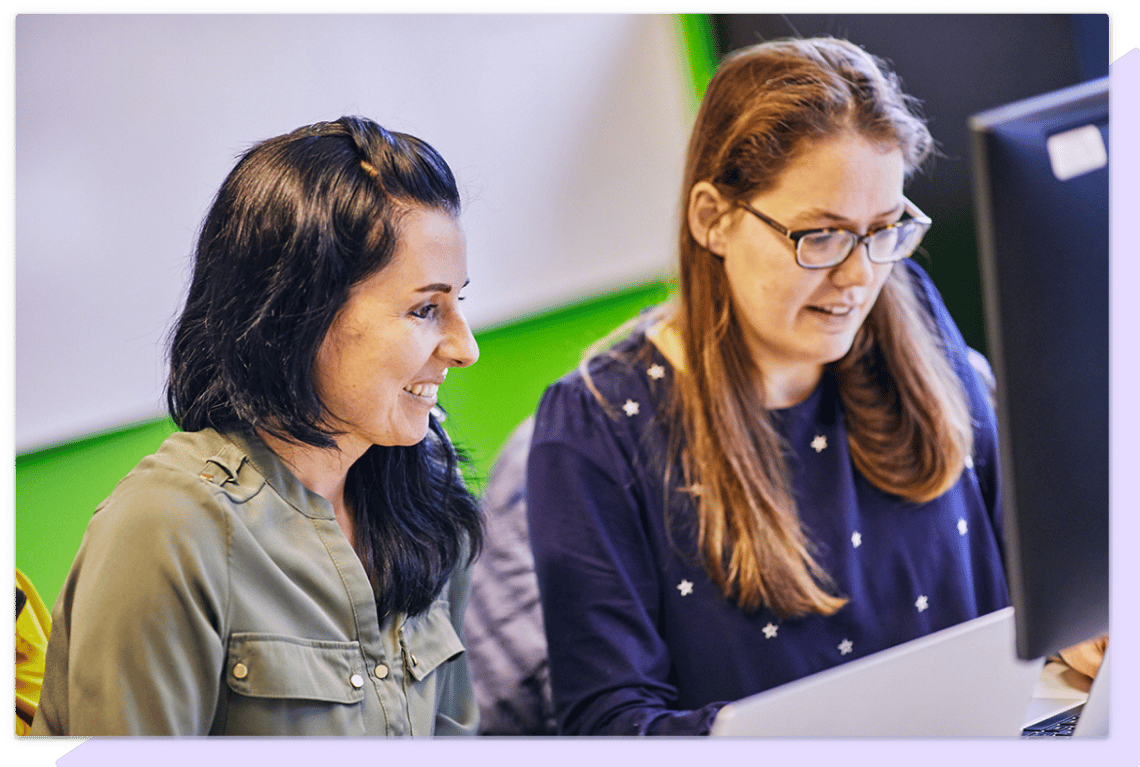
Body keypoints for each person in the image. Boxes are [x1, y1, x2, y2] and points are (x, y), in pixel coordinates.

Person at [525, 37, 1011, 736]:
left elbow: (1028, 560)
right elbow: (612, 724)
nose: (859, 277)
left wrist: (1084, 629)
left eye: (884, 230)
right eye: (821, 236)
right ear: (712, 219)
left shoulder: (914, 313)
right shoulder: (597, 427)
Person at [30, 116, 483, 736]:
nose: (466, 347)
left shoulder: (427, 490)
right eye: (425, 309)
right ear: (300, 312)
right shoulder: (167, 529)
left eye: (462, 300)